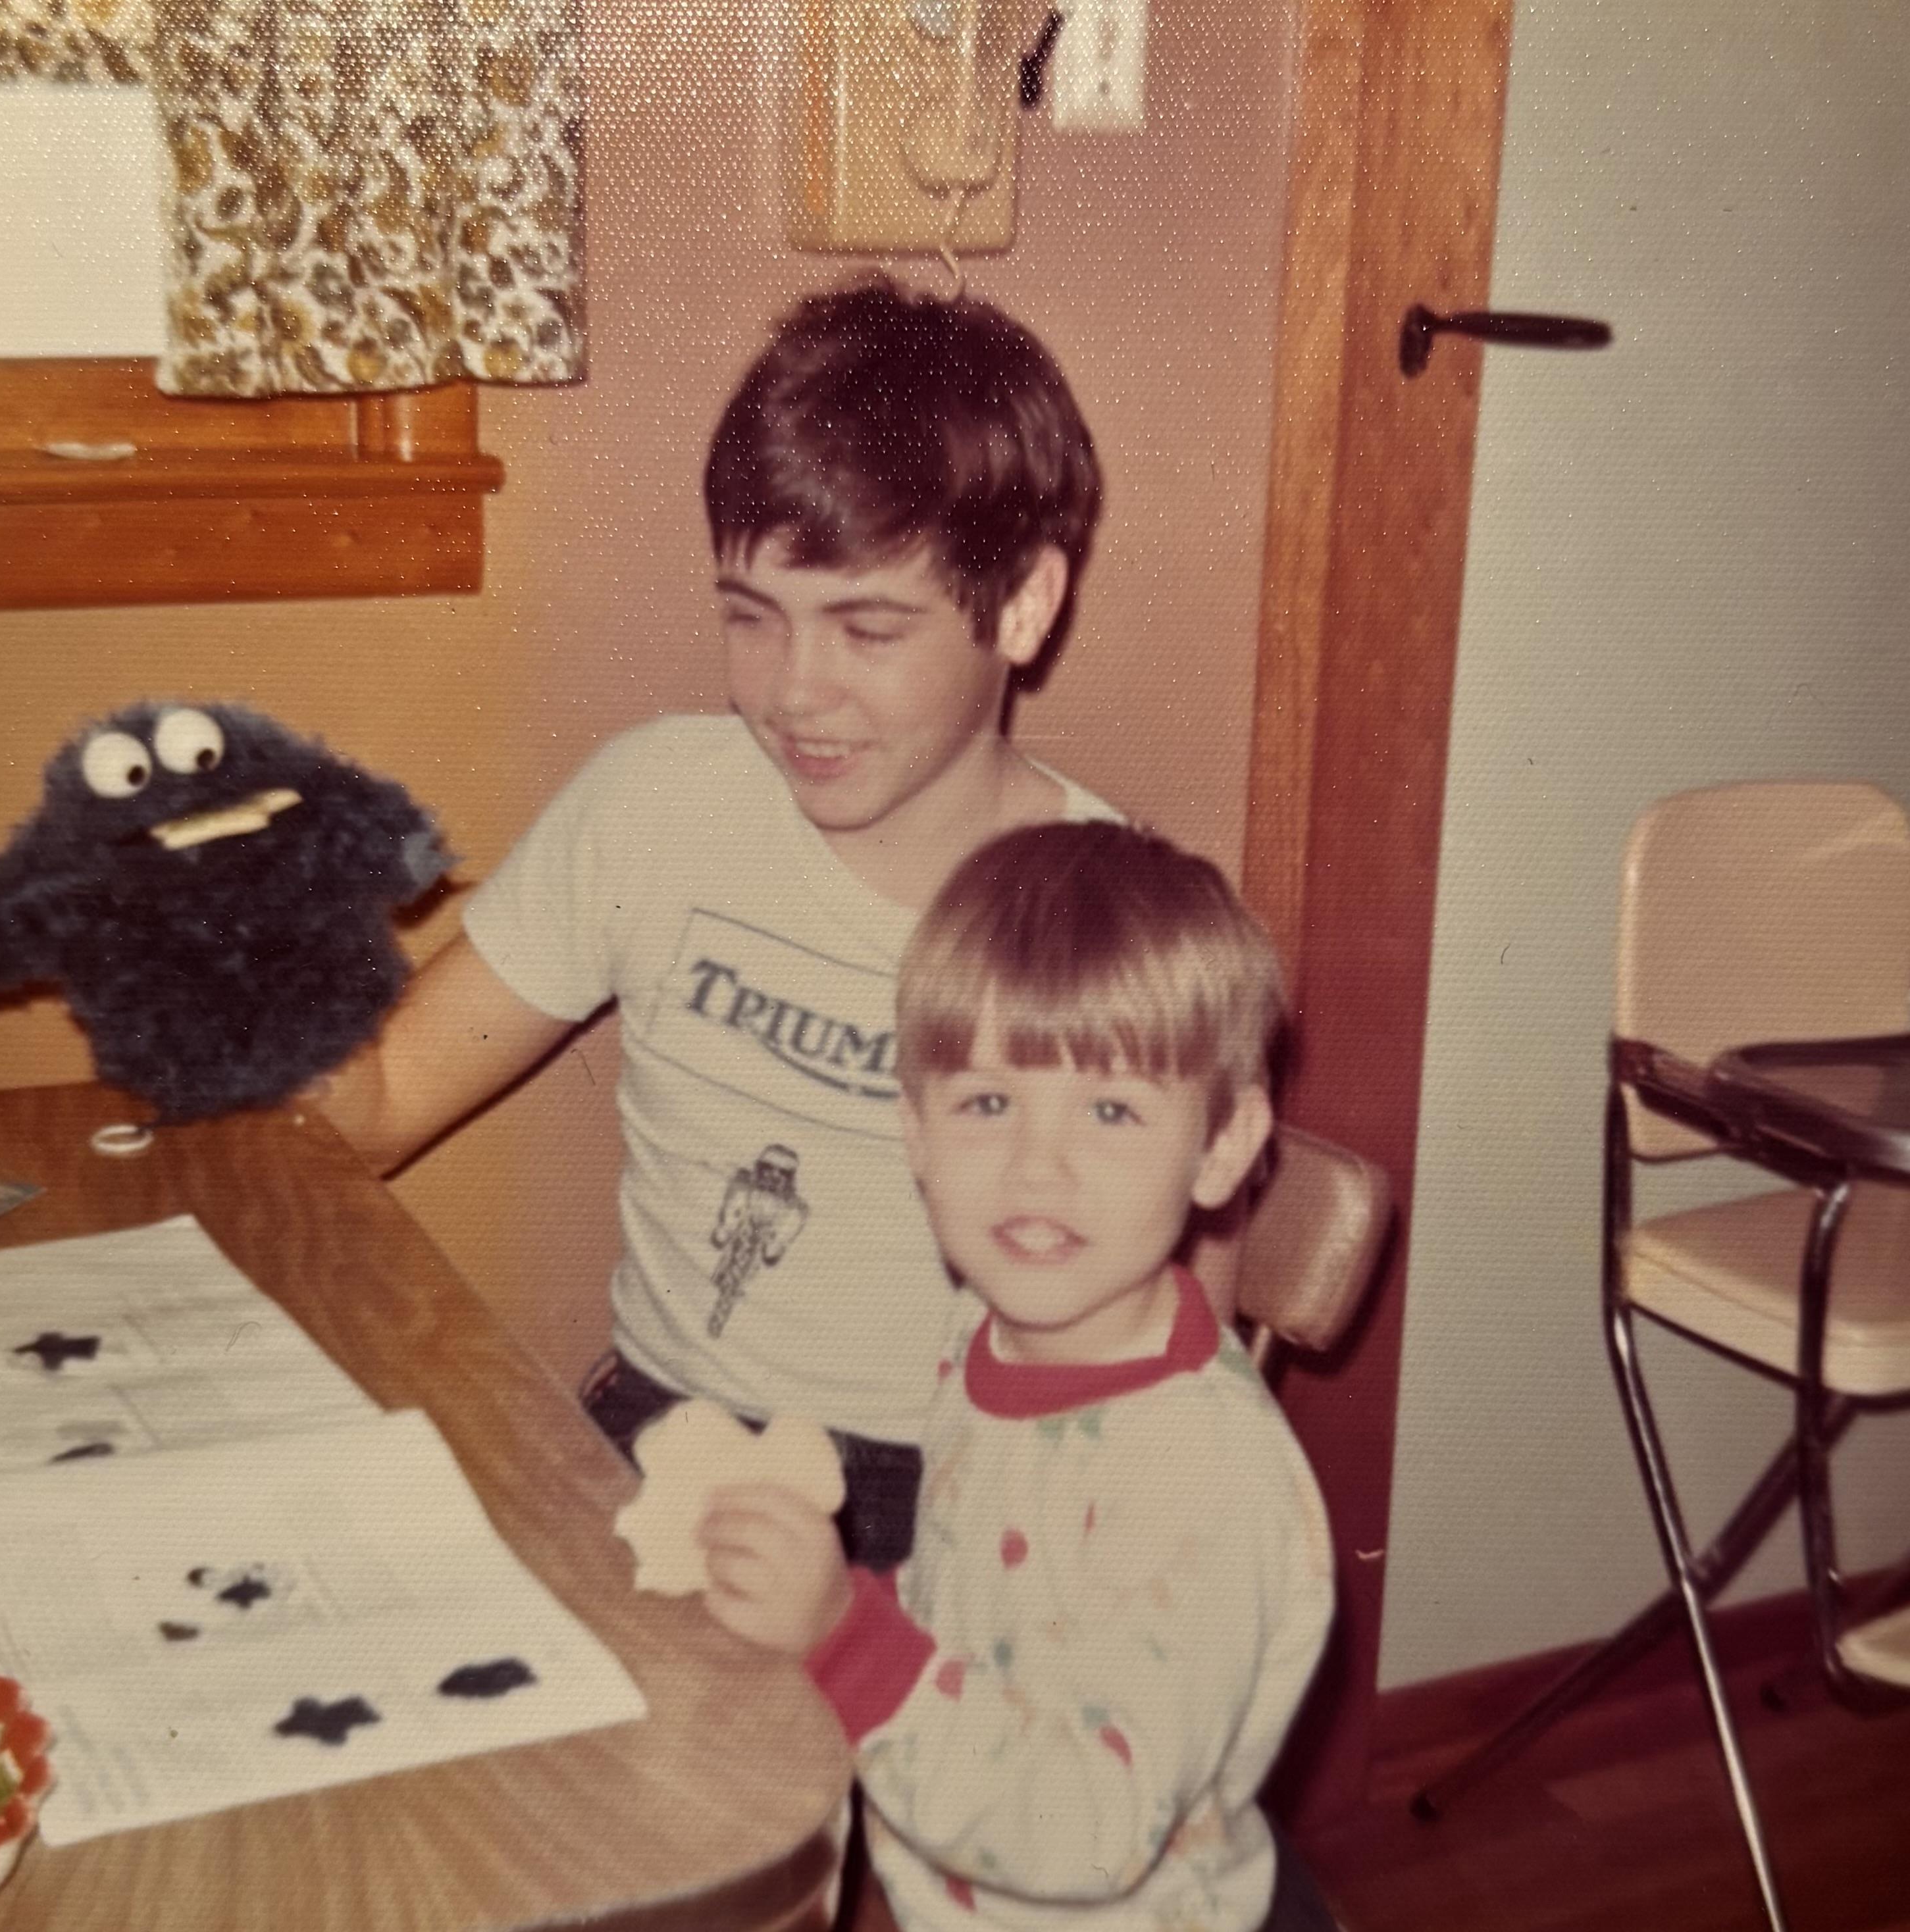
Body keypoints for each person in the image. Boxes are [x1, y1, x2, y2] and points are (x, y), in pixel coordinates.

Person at [315, 278, 1118, 1570]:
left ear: (1020, 605)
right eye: (751, 617)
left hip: (955, 1498)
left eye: (866, 626)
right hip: (660, 1441)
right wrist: (226, 975)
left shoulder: (1109, 922)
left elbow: (1151, 1374)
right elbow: (385, 1092)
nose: (793, 691)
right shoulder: (656, 801)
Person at [696, 820, 1341, 1932]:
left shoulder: (1201, 1481)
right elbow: (985, 1592)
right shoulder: (983, 1329)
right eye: (989, 1103)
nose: (1039, 1168)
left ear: (1224, 1148)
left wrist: (846, 1644)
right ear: (916, 1135)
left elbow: (1094, 1825)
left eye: (1112, 1111)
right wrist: (844, 1604)